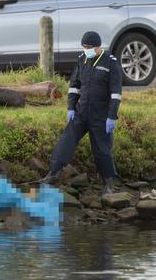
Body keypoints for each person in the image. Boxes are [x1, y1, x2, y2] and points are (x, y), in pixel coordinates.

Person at [41, 31, 122, 196]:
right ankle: (53, 174)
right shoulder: (82, 60)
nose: (86, 49)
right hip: (81, 111)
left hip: (101, 116)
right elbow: (74, 86)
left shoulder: (111, 63)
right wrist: (71, 107)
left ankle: (109, 184)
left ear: (98, 47)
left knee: (102, 150)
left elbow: (116, 94)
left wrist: (111, 116)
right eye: (84, 47)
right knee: (66, 141)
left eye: (88, 47)